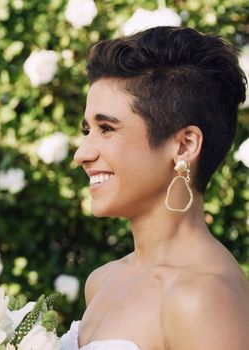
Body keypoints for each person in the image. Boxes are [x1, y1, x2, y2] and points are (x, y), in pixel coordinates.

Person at [59, 26, 249, 350]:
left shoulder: (203, 298)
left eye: (106, 128)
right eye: (87, 129)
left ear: (184, 145)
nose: (82, 153)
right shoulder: (102, 281)